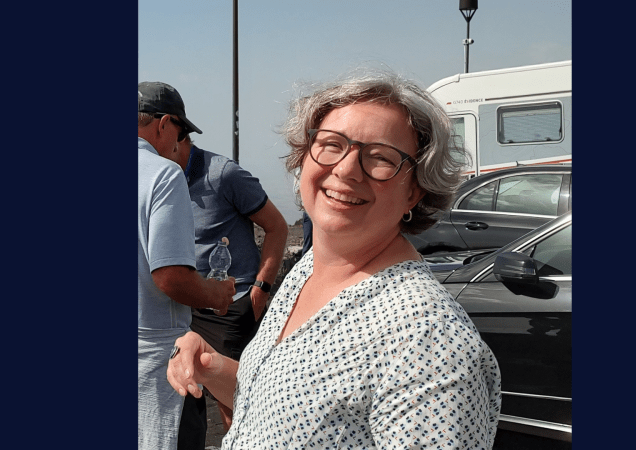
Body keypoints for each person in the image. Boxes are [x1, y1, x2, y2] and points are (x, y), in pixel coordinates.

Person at [167, 70, 502, 449]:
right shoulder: (312, 269)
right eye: (331, 144)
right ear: (304, 156)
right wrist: (211, 366)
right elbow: (285, 409)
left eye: (380, 157)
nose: (345, 169)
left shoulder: (428, 339)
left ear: (415, 191)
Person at [138, 81, 236, 450]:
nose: (180, 145)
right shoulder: (162, 174)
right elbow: (171, 277)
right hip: (157, 366)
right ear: (164, 124)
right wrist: (216, 293)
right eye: (180, 134)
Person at [177, 135, 289, 449]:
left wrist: (259, 291)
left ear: (171, 132)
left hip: (229, 306)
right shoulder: (160, 178)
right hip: (182, 306)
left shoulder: (223, 173)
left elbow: (277, 226)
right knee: (186, 400)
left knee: (235, 407)